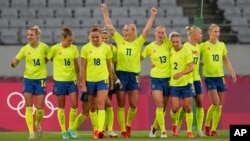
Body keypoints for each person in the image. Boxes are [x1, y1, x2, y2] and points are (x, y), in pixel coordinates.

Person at [101, 3, 157, 138]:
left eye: (126, 30)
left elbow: (146, 30)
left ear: (132, 31)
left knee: (133, 104)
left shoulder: (138, 42)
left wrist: (152, 15)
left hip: (134, 76)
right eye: (124, 30)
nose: (124, 32)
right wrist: (104, 11)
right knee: (120, 103)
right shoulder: (119, 40)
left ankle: (128, 124)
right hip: (121, 74)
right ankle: (123, 130)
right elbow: (109, 27)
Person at [10, 25, 49, 139]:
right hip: (28, 79)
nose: (29, 37)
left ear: (37, 36)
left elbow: (49, 57)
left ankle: (38, 123)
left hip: (41, 79)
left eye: (31, 35)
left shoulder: (44, 47)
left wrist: (43, 64)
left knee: (40, 108)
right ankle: (31, 133)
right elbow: (16, 60)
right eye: (28, 35)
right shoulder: (25, 49)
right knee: (28, 106)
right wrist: (13, 63)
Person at [200, 24, 237, 136]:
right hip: (209, 78)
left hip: (220, 77)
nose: (217, 34)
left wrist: (232, 72)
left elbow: (226, 61)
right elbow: (194, 58)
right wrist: (203, 63)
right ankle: (207, 125)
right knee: (215, 103)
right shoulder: (203, 46)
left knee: (219, 105)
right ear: (210, 32)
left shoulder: (221, 45)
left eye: (218, 31)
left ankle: (213, 129)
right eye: (215, 31)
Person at [81, 25, 114, 139]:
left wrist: (111, 82)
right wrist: (83, 84)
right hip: (90, 81)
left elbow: (109, 66)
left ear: (101, 36)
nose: (95, 39)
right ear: (90, 37)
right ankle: (95, 129)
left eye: (97, 37)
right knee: (92, 106)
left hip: (102, 80)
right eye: (93, 37)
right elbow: (83, 68)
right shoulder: (85, 48)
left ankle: (100, 130)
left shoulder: (106, 48)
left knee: (101, 103)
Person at [47, 26, 80, 139]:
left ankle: (71, 128)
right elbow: (47, 59)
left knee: (74, 104)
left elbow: (76, 64)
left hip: (72, 80)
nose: (71, 43)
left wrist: (79, 76)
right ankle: (63, 130)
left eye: (72, 41)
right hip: (60, 81)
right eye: (69, 41)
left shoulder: (74, 49)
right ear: (63, 39)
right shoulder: (55, 49)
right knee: (61, 106)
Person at [141, 25, 171, 138]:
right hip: (156, 78)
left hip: (168, 78)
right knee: (159, 104)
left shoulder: (168, 44)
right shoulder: (149, 47)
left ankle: (154, 127)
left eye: (163, 33)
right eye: (159, 32)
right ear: (155, 33)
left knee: (163, 107)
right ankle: (163, 131)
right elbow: (140, 58)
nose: (161, 34)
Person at [176, 26, 206, 137]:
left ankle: (199, 130)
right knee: (186, 106)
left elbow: (195, 62)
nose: (201, 35)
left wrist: (203, 63)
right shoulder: (185, 47)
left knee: (200, 103)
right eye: (200, 33)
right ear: (194, 35)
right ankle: (178, 124)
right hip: (188, 80)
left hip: (197, 79)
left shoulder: (198, 47)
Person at [168, 31, 195, 138]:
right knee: (174, 108)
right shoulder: (169, 50)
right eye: (173, 42)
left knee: (188, 107)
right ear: (170, 42)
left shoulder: (187, 51)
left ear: (181, 41)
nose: (175, 44)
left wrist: (181, 73)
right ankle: (175, 126)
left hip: (186, 83)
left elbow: (191, 67)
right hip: (174, 84)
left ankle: (189, 131)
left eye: (177, 42)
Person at [101, 28, 119, 137]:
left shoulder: (114, 49)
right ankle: (101, 129)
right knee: (102, 105)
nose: (104, 39)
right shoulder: (95, 48)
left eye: (106, 38)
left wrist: (115, 77)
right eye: (102, 38)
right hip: (99, 78)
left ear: (109, 38)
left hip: (109, 77)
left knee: (107, 105)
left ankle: (106, 129)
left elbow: (114, 63)